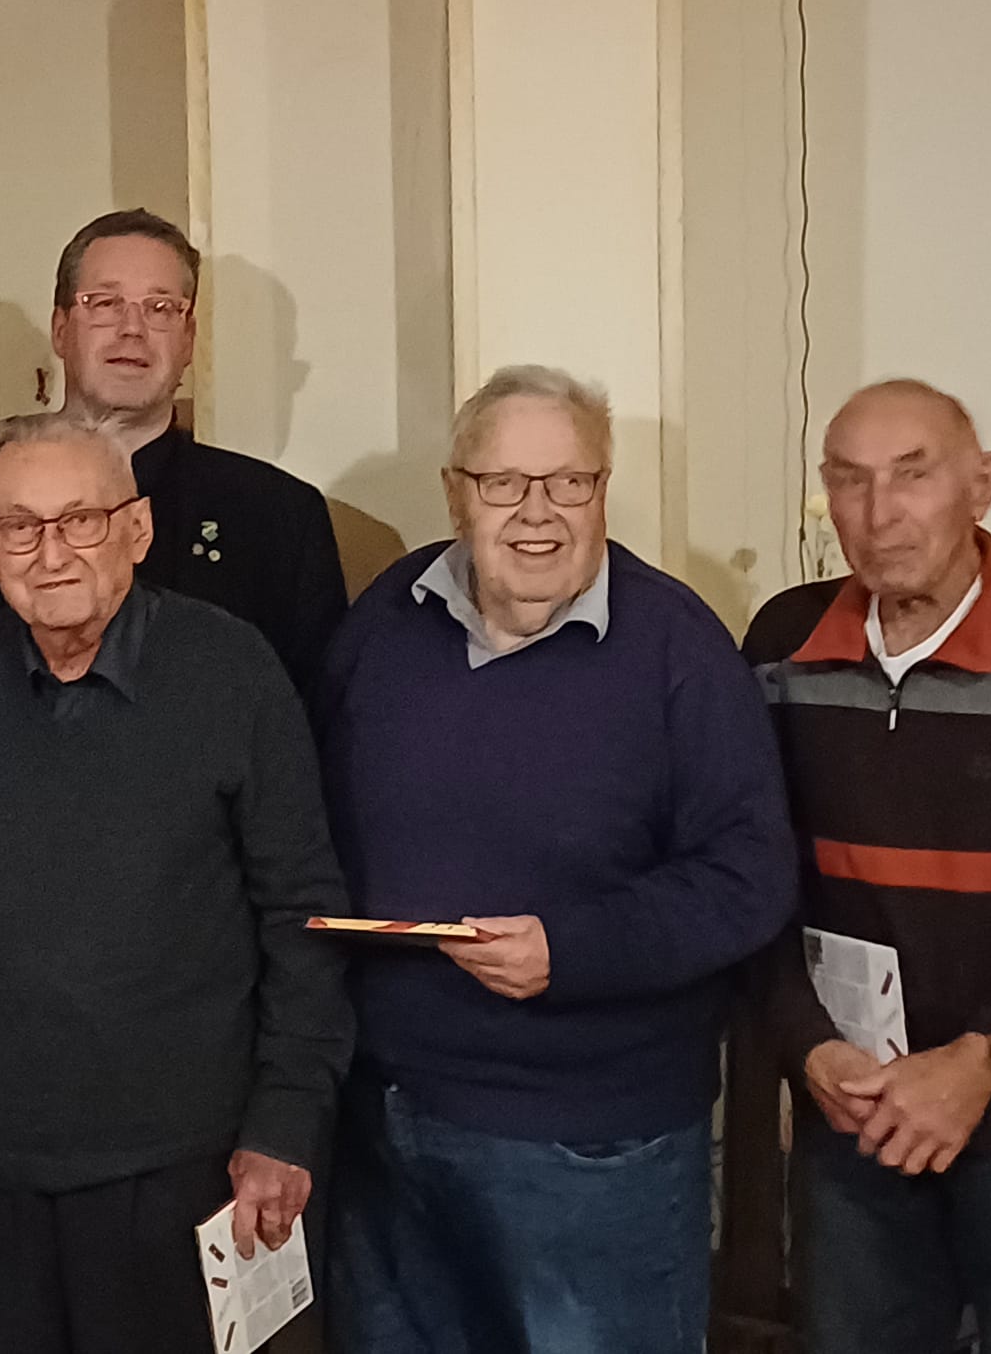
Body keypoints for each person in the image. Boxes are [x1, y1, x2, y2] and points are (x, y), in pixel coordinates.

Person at [319, 364, 797, 1353]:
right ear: (456, 493)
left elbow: (748, 876)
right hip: (388, 1123)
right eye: (503, 483)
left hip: (594, 1144)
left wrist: (571, 951)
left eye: (568, 482)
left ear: (601, 489)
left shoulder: (677, 646)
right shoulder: (387, 617)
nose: (536, 512)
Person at [0, 412, 353, 1354]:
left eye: (81, 520)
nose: (51, 552)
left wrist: (286, 1121)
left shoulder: (233, 671)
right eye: (20, 526)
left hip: (191, 1165)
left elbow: (303, 912)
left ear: (136, 530)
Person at [744, 379, 991, 1354]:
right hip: (854, 1112)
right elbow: (748, 880)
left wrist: (987, 1060)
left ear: (981, 484)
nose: (878, 514)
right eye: (848, 480)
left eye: (912, 476)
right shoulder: (779, 647)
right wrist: (807, 1047)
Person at [0, 207, 346, 728]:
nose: (133, 329)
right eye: (105, 304)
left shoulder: (278, 515)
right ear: (60, 328)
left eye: (160, 308)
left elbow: (310, 729)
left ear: (188, 339)